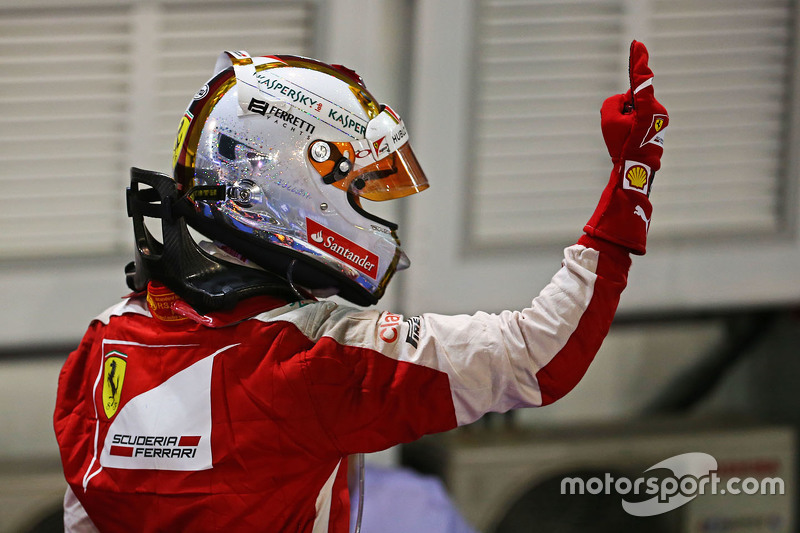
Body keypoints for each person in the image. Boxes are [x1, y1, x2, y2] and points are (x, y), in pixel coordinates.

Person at [54, 41, 668, 532]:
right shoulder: (313, 365)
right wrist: (626, 191)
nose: (373, 215)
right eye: (358, 190)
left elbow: (83, 517)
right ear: (293, 184)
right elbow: (539, 357)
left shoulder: (104, 341)